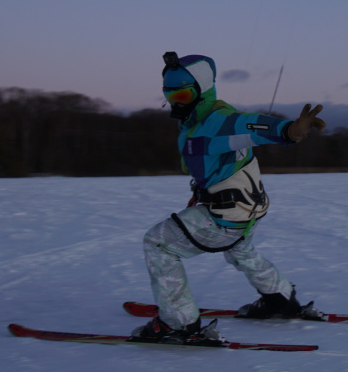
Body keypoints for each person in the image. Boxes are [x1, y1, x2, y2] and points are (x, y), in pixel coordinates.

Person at [131, 52, 327, 344]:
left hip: (226, 216)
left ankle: (179, 322)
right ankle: (281, 299)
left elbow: (251, 126)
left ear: (202, 91)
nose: (176, 103)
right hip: (246, 211)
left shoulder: (218, 120)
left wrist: (291, 131)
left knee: (158, 243)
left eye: (183, 94)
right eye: (170, 95)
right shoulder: (196, 121)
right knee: (241, 251)